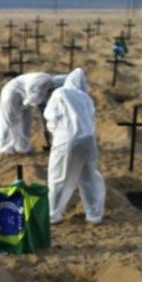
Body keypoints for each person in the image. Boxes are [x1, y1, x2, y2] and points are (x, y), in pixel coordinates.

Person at [43, 68, 106, 225]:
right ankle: (94, 215)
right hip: (89, 140)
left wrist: (56, 134)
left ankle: (52, 214)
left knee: (58, 177)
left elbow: (50, 117)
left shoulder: (60, 93)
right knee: (88, 176)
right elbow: (91, 119)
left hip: (67, 139)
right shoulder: (86, 98)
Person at [0, 72, 56, 154]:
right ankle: (5, 148)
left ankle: (22, 148)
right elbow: (36, 101)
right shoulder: (39, 82)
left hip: (26, 96)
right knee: (9, 120)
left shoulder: (50, 86)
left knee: (26, 122)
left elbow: (43, 110)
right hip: (12, 92)